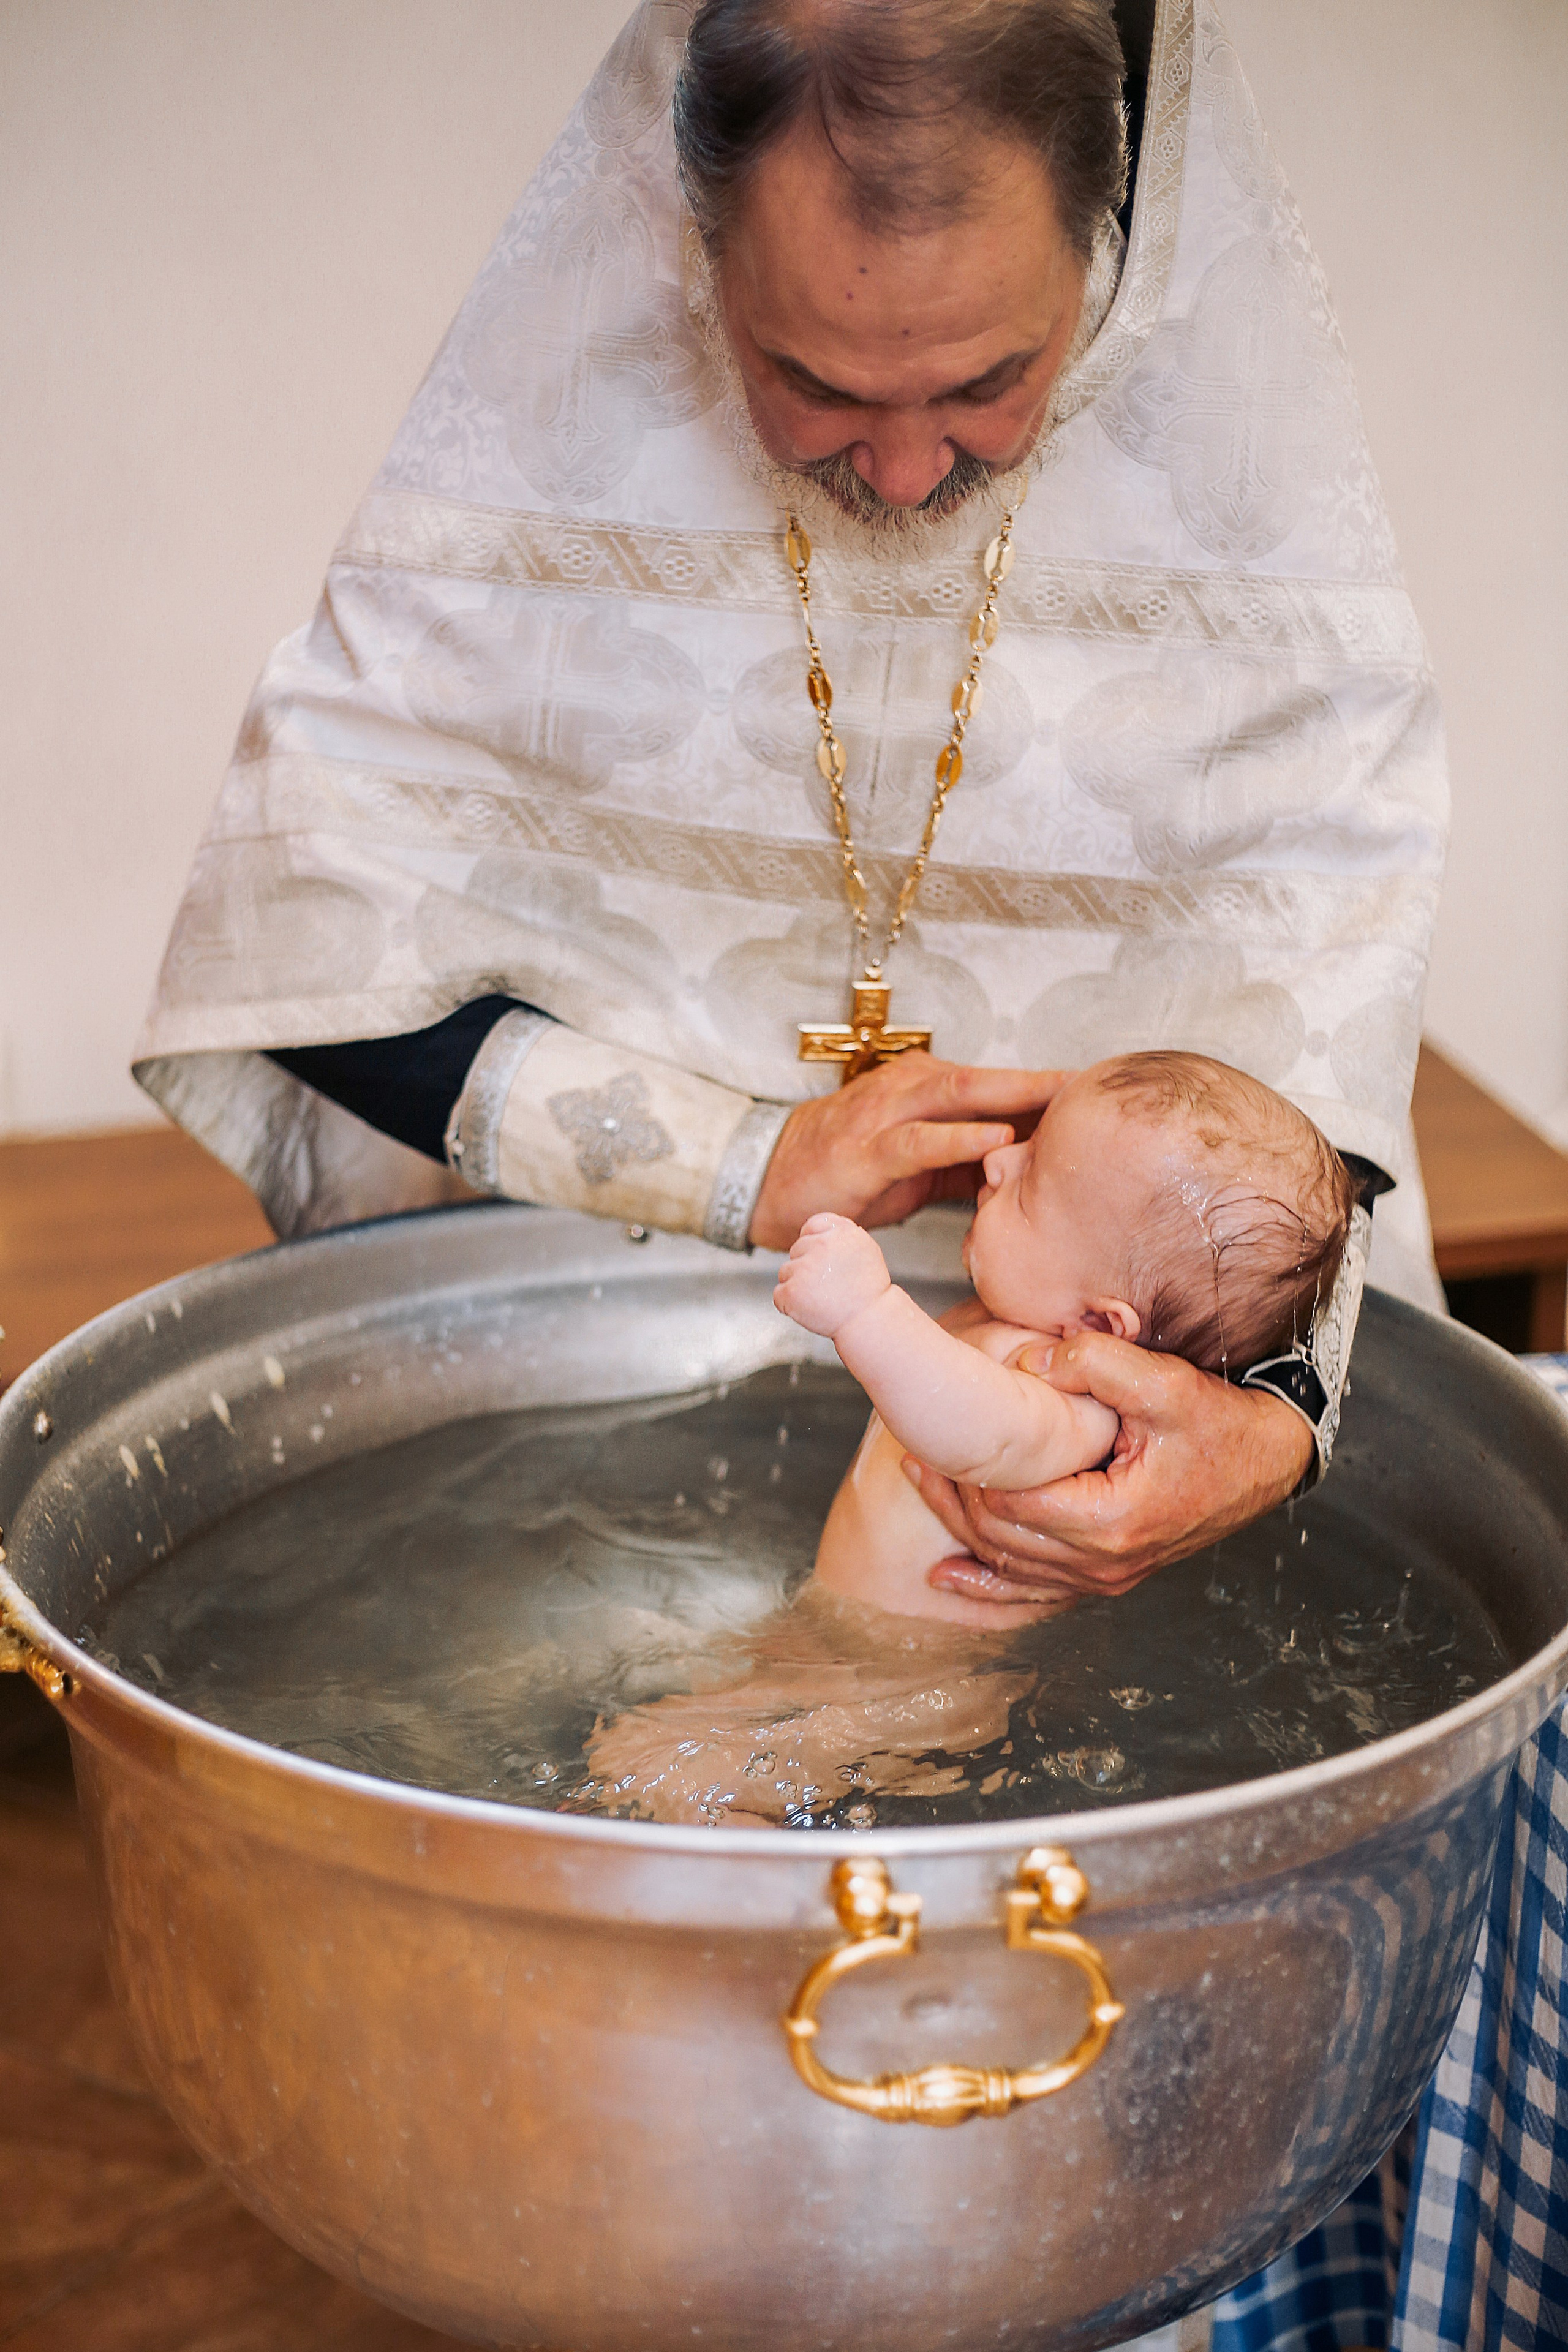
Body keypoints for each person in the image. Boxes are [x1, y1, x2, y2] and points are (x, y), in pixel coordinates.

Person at [134, 0, 1448, 1608]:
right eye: (809, 382)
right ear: (694, 252)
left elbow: (1323, 1060)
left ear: (1103, 261)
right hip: (584, 1404)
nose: (902, 471)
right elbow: (299, 940)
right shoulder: (564, 442)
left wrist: (1274, 1415)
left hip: (1131, 1469)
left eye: (992, 381)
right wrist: (744, 1163)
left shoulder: (1240, 509)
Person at [779, 1052, 1358, 1624]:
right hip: (842, 1628)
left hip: (899, 1666)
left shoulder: (1073, 1406)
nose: (997, 1161)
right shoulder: (1009, 1320)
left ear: (1099, 1325)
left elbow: (976, 1430)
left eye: (1028, 1180)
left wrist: (865, 1310)